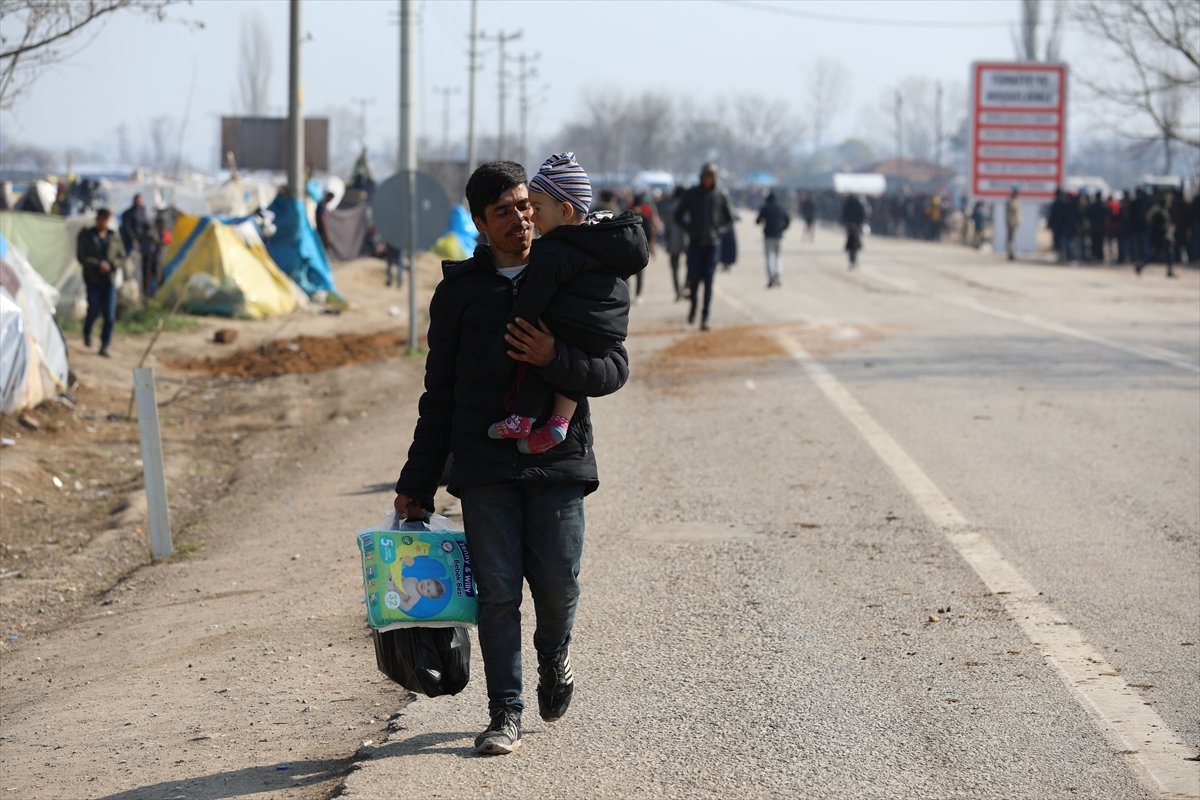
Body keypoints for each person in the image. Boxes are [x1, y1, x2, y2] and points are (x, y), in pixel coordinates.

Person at [392, 160, 631, 756]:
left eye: (527, 205)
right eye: (505, 211)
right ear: (479, 222)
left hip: (559, 461)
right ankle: (506, 712)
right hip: (484, 463)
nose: (521, 219)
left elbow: (613, 368)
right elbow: (438, 396)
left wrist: (553, 358)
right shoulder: (459, 294)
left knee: (556, 585)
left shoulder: (574, 271)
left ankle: (555, 659)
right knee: (498, 591)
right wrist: (416, 482)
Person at [486, 152, 647, 454]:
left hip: (576, 328)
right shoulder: (601, 241)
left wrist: (499, 360)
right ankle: (559, 422)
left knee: (538, 339)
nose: (530, 217)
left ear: (564, 210)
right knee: (568, 351)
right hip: (604, 332)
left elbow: (531, 304)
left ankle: (523, 416)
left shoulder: (553, 250)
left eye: (535, 208)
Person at [673, 163, 734, 331]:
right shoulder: (692, 194)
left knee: (709, 280)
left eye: (711, 178)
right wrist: (690, 230)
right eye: (706, 177)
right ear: (702, 178)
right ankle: (693, 306)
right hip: (695, 244)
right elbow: (678, 216)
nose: (708, 181)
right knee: (694, 279)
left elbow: (729, 219)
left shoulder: (720, 195)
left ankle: (705, 316)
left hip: (713, 245)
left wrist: (719, 231)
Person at [76, 208, 126, 357]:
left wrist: (111, 264)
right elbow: (81, 257)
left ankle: (105, 345)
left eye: (106, 219)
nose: (103, 222)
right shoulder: (86, 235)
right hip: (93, 279)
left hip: (109, 280)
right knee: (93, 309)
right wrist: (98, 264)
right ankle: (87, 332)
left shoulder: (114, 237)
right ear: (97, 219)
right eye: (101, 218)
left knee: (110, 315)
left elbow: (122, 257)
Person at [120, 193, 161, 297]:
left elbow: (146, 226)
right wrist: (133, 239)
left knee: (144, 270)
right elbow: (127, 228)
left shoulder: (143, 212)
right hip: (130, 246)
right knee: (129, 269)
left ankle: (145, 292)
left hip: (143, 247)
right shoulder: (128, 213)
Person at [658, 186, 688, 301]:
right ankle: (686, 286)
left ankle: (677, 291)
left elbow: (666, 227)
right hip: (687, 241)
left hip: (672, 241)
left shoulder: (668, 207)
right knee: (690, 265)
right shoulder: (687, 207)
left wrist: (665, 240)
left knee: (674, 268)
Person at [755, 189, 789, 288]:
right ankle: (777, 275)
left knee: (770, 256)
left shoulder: (765, 208)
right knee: (778, 257)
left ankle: (771, 277)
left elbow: (757, 221)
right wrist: (782, 228)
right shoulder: (780, 207)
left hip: (768, 236)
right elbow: (788, 219)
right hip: (778, 236)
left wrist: (763, 222)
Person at [840, 193, 866, 269]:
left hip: (853, 226)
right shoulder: (858, 204)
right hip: (853, 226)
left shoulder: (850, 203)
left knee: (854, 243)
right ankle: (853, 260)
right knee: (853, 243)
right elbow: (862, 215)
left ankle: (853, 260)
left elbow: (844, 214)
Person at [1005, 187, 1021, 260]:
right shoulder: (1011, 201)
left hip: (1015, 222)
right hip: (1011, 222)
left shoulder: (1017, 200)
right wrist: (1010, 221)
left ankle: (1012, 253)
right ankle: (1010, 254)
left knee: (1013, 239)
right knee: (1010, 239)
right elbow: (1011, 212)